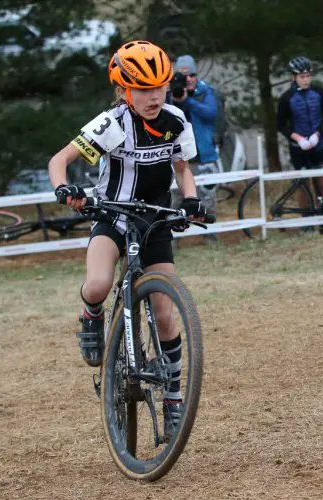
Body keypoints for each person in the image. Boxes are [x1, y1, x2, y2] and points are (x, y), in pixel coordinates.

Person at [47, 40, 207, 437]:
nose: (153, 97)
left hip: (153, 221)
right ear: (123, 92)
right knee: (99, 284)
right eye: (142, 90)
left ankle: (173, 398)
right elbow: (59, 161)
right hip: (112, 216)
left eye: (159, 88)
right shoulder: (112, 123)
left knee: (167, 313)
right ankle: (92, 316)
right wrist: (65, 190)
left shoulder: (175, 120)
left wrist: (190, 200)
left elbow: (182, 167)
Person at [169, 54, 220, 245]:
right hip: (178, 155)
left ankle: (210, 237)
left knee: (207, 197)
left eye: (191, 75)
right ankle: (171, 240)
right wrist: (176, 98)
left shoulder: (206, 91)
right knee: (175, 197)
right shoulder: (169, 93)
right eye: (183, 76)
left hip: (204, 153)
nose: (187, 79)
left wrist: (187, 100)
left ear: (196, 74)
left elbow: (211, 113)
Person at [276, 56, 323, 219]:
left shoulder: (319, 92)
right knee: (303, 184)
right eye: (302, 77)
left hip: (318, 145)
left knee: (320, 182)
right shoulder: (287, 98)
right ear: (294, 77)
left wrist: (318, 135)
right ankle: (306, 220)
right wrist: (298, 138)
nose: (306, 80)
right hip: (299, 148)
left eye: (308, 76)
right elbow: (280, 124)